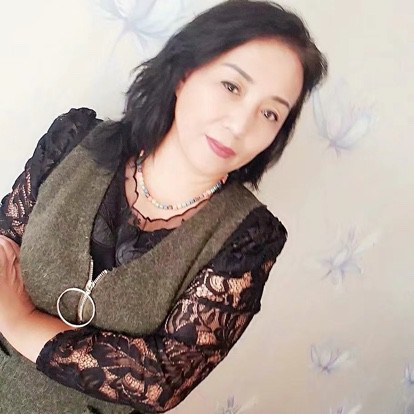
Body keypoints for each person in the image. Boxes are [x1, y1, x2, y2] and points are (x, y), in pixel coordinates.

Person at [0, 1, 327, 413]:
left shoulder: (248, 239)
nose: (240, 124)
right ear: (184, 73)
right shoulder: (73, 139)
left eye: (270, 113)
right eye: (231, 86)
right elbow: (4, 246)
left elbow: (159, 380)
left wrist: (19, 321)